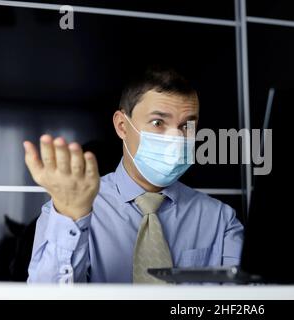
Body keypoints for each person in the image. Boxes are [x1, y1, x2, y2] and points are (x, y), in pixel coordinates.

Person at [23, 66, 244, 283]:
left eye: (187, 126)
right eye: (158, 123)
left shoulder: (220, 220)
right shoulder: (67, 213)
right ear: (122, 126)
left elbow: (247, 301)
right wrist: (71, 217)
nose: (176, 138)